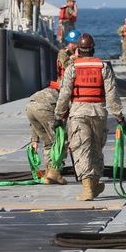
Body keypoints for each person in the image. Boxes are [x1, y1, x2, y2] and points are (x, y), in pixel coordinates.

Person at [54, 32, 126, 201]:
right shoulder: (104, 67)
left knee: (81, 150)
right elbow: (112, 94)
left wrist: (58, 116)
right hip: (99, 113)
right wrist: (120, 117)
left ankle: (88, 189)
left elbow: (64, 94)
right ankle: (94, 183)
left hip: (79, 113)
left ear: (78, 49)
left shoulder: (72, 68)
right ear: (93, 49)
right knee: (96, 150)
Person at [26, 30, 80, 185]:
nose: (75, 45)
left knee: (49, 142)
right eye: (74, 43)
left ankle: (49, 173)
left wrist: (34, 139)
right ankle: (55, 172)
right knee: (59, 140)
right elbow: (69, 66)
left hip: (33, 104)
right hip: (49, 103)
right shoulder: (64, 55)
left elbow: (36, 111)